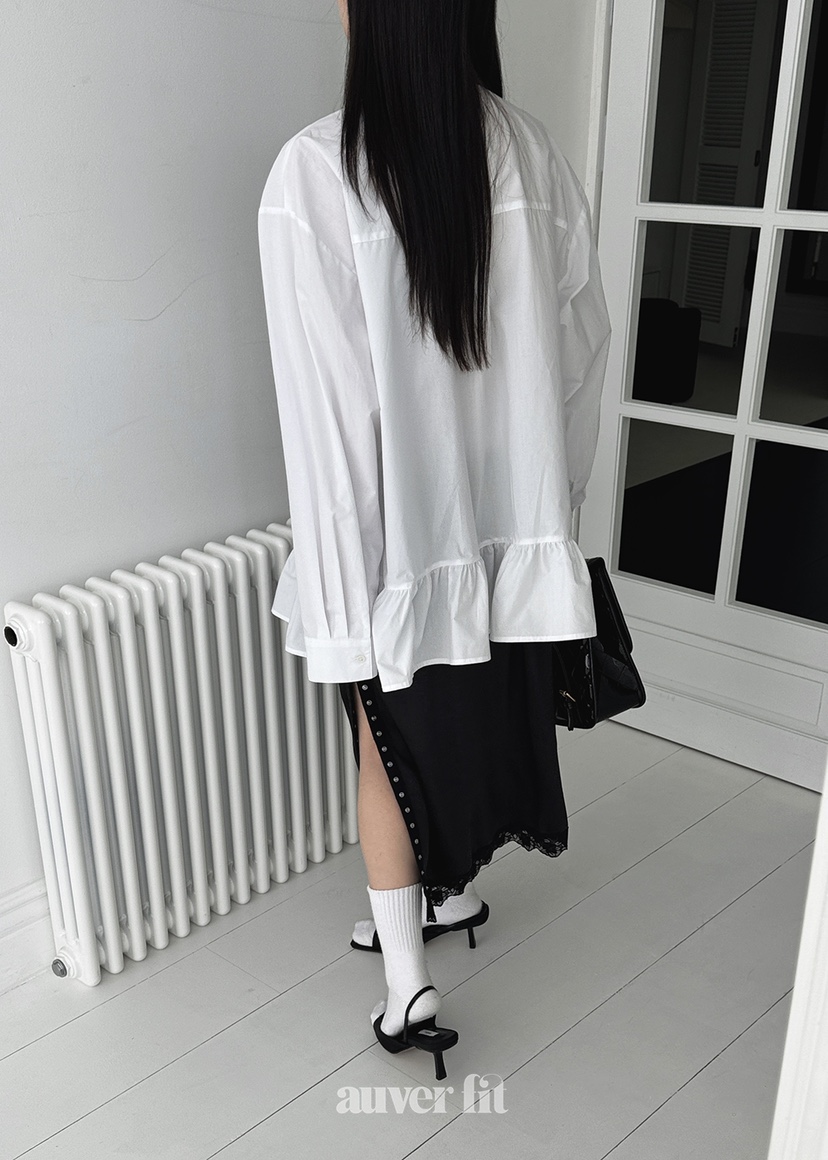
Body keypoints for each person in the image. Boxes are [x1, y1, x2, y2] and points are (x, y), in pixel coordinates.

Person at [257, 0, 611, 1080]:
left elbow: (327, 421)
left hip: (397, 552)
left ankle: (406, 978)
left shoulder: (318, 173)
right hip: (513, 535)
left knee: (386, 748)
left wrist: (340, 595)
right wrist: (547, 521)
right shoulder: (532, 150)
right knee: (470, 720)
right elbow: (580, 349)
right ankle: (444, 892)